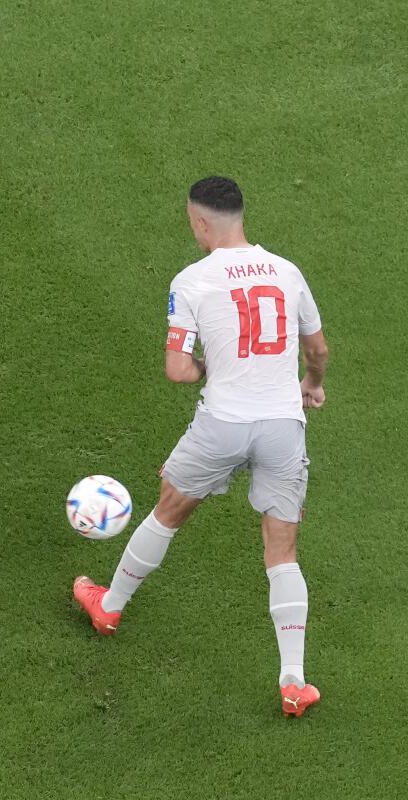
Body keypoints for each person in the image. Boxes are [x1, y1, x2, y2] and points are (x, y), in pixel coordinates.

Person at [72, 176, 330, 717]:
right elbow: (318, 348)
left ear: (199, 221)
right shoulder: (287, 271)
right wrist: (312, 383)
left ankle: (110, 607)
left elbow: (178, 370)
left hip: (222, 425)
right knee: (282, 552)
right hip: (284, 426)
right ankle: (293, 682)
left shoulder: (191, 280)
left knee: (169, 510)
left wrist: (213, 363)